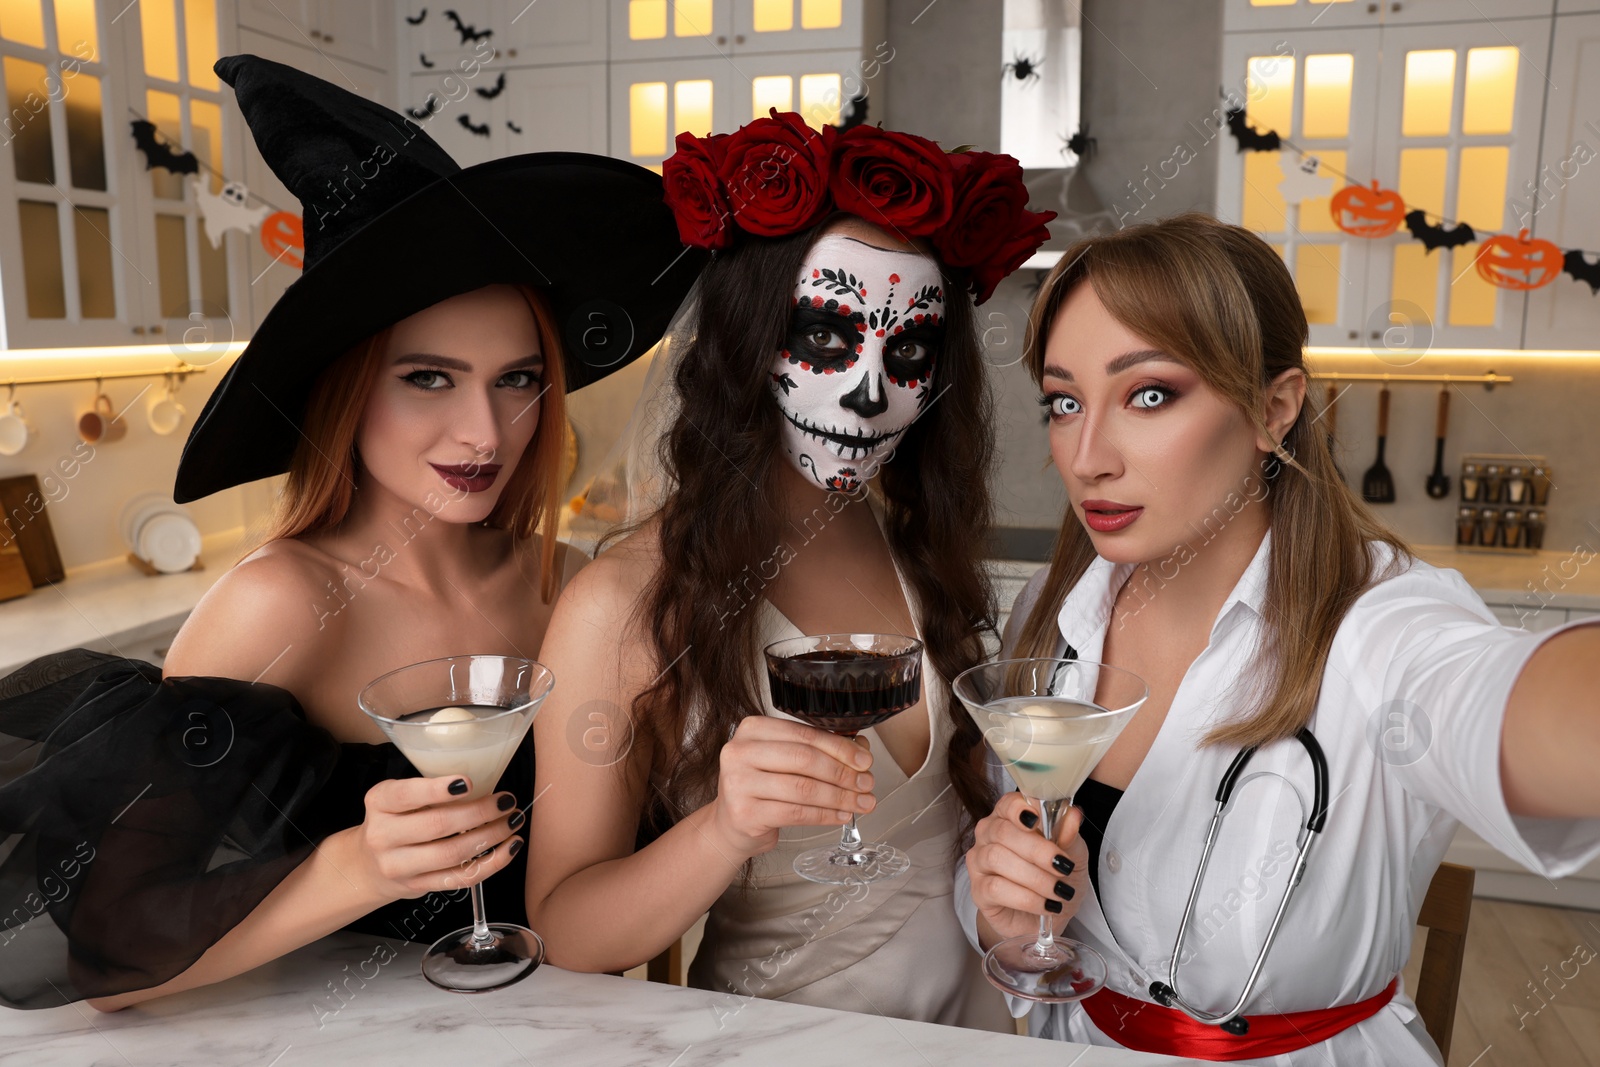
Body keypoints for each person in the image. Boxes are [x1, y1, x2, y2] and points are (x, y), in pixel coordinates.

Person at [0, 54, 702, 1011]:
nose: (483, 433)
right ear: (346, 388)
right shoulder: (279, 602)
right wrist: (358, 868)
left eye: (517, 378)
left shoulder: (567, 583)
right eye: (428, 378)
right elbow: (112, 958)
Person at [955, 212, 1600, 1064]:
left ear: (1275, 407)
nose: (1087, 455)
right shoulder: (1050, 610)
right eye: (1065, 401)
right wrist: (1002, 909)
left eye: (1149, 394)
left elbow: (1520, 706)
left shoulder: (1378, 626)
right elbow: (1023, 913)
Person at [525, 112, 1053, 1026]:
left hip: (981, 1038)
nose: (869, 390)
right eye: (827, 337)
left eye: (911, 352)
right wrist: (723, 828)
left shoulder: (919, 551)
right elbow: (564, 932)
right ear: (744, 340)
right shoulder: (621, 603)